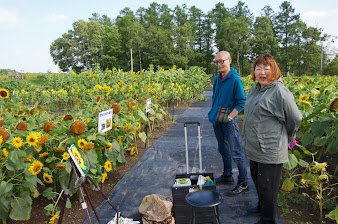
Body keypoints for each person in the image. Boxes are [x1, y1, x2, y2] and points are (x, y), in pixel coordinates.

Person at [242, 53, 302, 224]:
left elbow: (295, 118)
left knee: (267, 186)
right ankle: (262, 207)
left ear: (274, 70)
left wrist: (289, 136)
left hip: (271, 148)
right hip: (255, 147)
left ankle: (268, 219)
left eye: (266, 69)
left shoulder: (280, 92)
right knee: (257, 179)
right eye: (258, 68)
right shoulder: (256, 88)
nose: (262, 72)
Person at [208, 50, 249, 197]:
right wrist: (213, 114)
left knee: (236, 152)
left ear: (230, 61)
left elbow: (241, 101)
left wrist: (230, 117)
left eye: (222, 61)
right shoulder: (217, 79)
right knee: (223, 148)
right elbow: (215, 97)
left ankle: (243, 182)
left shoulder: (235, 80)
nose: (219, 64)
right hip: (217, 119)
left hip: (228, 121)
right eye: (217, 61)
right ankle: (227, 175)